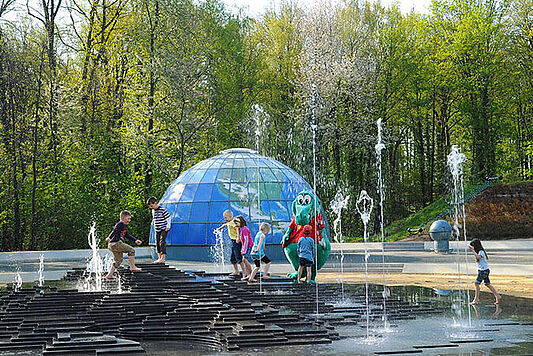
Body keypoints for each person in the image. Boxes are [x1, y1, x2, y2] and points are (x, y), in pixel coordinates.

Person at [105, 210, 142, 280]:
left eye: (130, 219)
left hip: (112, 245)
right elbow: (114, 231)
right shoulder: (120, 224)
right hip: (116, 243)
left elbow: (127, 235)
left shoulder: (123, 226)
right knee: (131, 250)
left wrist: (135, 240)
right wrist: (109, 237)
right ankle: (132, 267)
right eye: (128, 218)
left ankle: (109, 275)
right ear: (122, 218)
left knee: (118, 260)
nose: (129, 220)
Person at [469, 238, 501, 305]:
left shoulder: (481, 252)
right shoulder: (480, 251)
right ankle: (497, 296)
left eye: (473, 246)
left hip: (483, 271)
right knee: (487, 284)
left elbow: (478, 257)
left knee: (477, 284)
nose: (473, 248)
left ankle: (476, 299)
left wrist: (472, 251)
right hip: (484, 270)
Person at [215, 210, 241, 276]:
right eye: (224, 217)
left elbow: (238, 228)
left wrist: (238, 237)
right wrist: (220, 228)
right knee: (232, 258)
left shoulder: (233, 222)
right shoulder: (230, 222)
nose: (225, 219)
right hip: (234, 242)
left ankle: (245, 272)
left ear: (230, 216)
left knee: (239, 258)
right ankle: (236, 271)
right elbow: (225, 225)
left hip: (237, 241)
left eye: (226, 217)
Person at [147, 197, 171, 264]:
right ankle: (159, 257)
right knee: (157, 242)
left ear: (155, 203)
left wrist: (168, 226)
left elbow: (168, 217)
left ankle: (163, 258)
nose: (151, 207)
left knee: (162, 241)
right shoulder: (153, 211)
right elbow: (155, 220)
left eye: (152, 206)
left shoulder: (162, 210)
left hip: (164, 228)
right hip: (157, 229)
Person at [234, 215, 253, 280]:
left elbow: (246, 241)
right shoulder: (241, 229)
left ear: (241, 222)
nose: (235, 224)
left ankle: (251, 275)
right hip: (246, 247)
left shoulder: (245, 229)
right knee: (244, 260)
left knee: (245, 260)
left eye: (236, 223)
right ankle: (249, 275)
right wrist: (237, 230)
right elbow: (238, 241)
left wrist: (244, 249)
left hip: (248, 246)